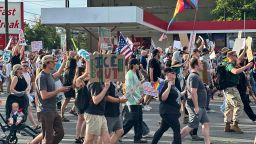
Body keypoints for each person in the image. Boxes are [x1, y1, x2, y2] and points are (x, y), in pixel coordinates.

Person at [35, 55, 69, 144]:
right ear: (47, 63)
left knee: (60, 133)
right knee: (48, 137)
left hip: (52, 109)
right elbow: (44, 95)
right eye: (53, 62)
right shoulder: (41, 77)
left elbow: (59, 73)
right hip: (45, 110)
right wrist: (59, 90)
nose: (55, 63)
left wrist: (65, 61)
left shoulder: (49, 75)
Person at [180, 58, 211, 144]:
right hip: (195, 106)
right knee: (191, 126)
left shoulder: (195, 76)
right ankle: (176, 140)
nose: (202, 65)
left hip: (201, 106)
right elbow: (193, 92)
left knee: (206, 124)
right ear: (196, 65)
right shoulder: (194, 76)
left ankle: (207, 142)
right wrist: (196, 106)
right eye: (200, 63)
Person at [223, 50, 253, 133]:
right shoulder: (229, 65)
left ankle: (227, 125)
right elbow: (235, 71)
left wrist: (245, 49)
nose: (237, 57)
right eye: (235, 55)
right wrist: (246, 66)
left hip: (229, 89)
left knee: (229, 107)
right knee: (239, 105)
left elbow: (239, 58)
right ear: (231, 57)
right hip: (231, 89)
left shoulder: (230, 62)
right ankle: (235, 125)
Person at [151, 67, 181, 144]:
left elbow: (176, 95)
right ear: (167, 74)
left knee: (162, 129)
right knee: (177, 129)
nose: (175, 74)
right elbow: (163, 98)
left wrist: (186, 91)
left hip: (171, 110)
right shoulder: (164, 83)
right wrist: (168, 87)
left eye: (175, 73)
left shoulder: (172, 83)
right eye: (173, 73)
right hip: (168, 111)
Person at [123, 58, 147, 143]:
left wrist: (142, 84)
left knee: (139, 120)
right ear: (133, 65)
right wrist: (138, 97)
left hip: (137, 100)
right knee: (131, 120)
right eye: (137, 64)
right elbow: (130, 89)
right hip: (132, 101)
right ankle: (119, 134)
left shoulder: (134, 73)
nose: (138, 65)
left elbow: (137, 86)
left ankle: (138, 138)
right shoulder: (129, 74)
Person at [22, 61, 40, 130]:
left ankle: (33, 125)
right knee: (26, 111)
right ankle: (33, 125)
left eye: (26, 66)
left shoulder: (29, 73)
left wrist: (34, 91)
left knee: (27, 111)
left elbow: (33, 83)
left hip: (27, 94)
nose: (25, 67)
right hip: (22, 95)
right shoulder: (19, 74)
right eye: (24, 66)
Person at [61, 58, 77, 122]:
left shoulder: (67, 70)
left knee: (76, 99)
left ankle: (72, 110)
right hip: (69, 87)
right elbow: (72, 81)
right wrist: (75, 86)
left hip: (67, 87)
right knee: (66, 101)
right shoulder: (71, 70)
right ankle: (62, 116)